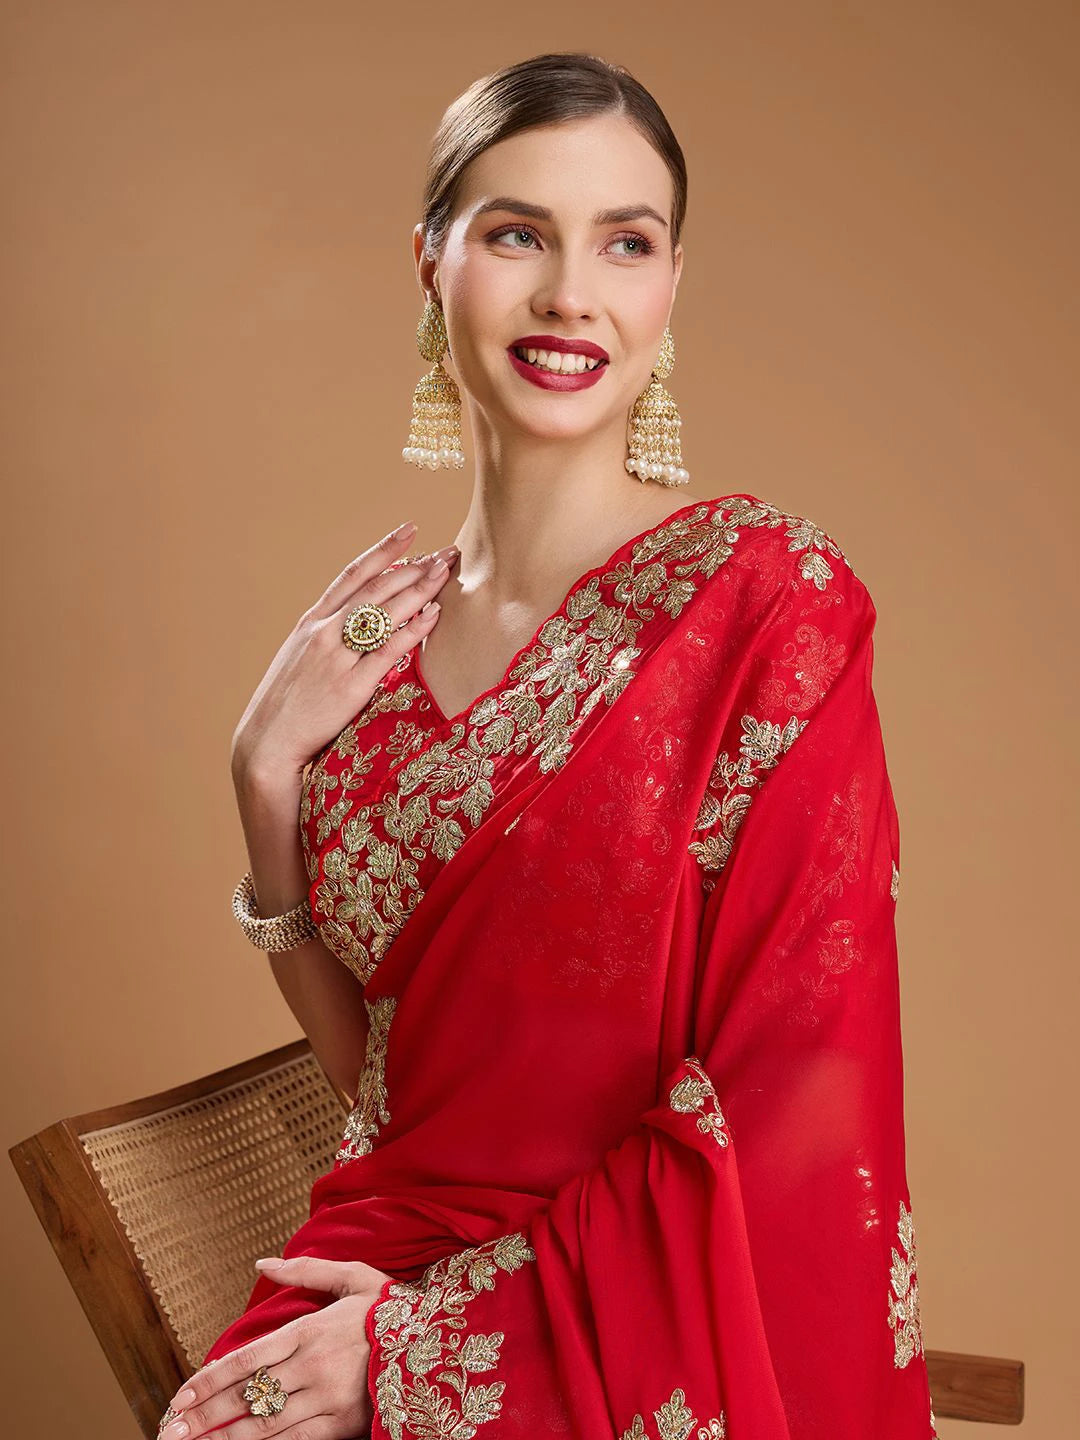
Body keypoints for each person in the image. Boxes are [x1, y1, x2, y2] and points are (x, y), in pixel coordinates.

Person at [157, 51, 938, 1440]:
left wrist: (418, 1361)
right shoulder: (369, 666)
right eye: (518, 232)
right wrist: (265, 786)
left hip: (621, 1328)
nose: (572, 293)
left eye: (623, 242)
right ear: (430, 265)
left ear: (670, 286)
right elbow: (401, 1094)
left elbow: (799, 1100)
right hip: (364, 1274)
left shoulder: (770, 608)